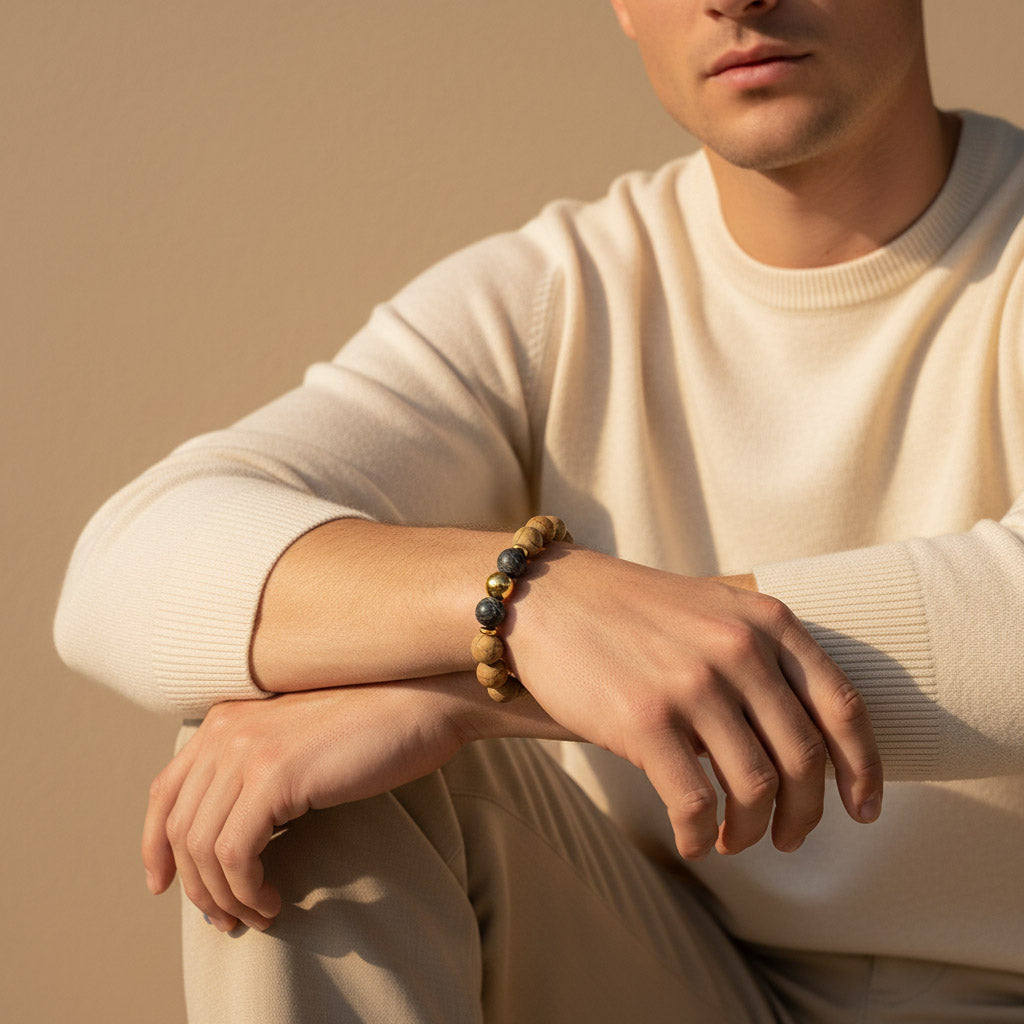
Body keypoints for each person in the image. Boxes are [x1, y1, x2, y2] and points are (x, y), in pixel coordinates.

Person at [55, 0, 1024, 1020]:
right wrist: (534, 605)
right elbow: (128, 561)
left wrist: (474, 691)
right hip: (680, 982)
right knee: (283, 765)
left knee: (352, 712)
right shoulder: (562, 293)